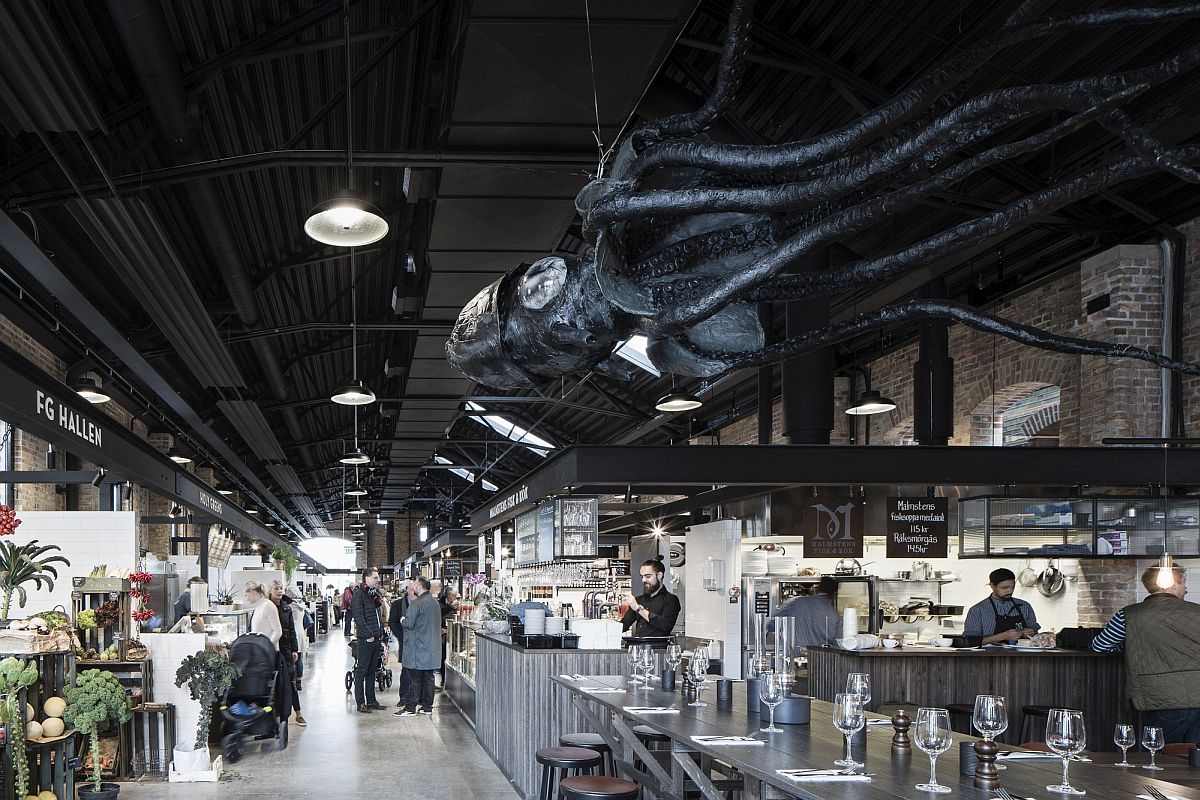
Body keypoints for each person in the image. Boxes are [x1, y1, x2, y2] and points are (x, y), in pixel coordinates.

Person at [1091, 565, 1200, 742]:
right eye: (1183, 583)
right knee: (1194, 761)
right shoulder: (1197, 611)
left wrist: (1130, 645)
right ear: (1170, 584)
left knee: (1162, 756)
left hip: (1162, 697)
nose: (1186, 588)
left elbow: (1099, 646)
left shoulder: (1128, 615)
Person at [395, 576, 441, 717]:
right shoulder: (435, 602)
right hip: (431, 647)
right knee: (428, 677)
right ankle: (427, 707)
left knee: (414, 678)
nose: (412, 585)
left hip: (417, 647)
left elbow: (409, 624)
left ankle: (410, 708)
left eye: (414, 583)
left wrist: (403, 619)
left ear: (420, 586)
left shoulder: (416, 604)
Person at [962, 568, 1041, 645]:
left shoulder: (1025, 606)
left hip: (1022, 656)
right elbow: (970, 641)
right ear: (992, 586)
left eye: (1012, 587)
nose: (1010, 591)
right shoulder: (977, 610)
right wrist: (1002, 636)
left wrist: (1031, 633)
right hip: (989, 656)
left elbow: (1036, 636)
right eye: (1004, 588)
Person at [350, 567, 387, 713]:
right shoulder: (359, 594)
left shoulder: (373, 594)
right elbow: (358, 618)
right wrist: (369, 634)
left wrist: (381, 632)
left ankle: (371, 701)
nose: (378, 580)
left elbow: (378, 616)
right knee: (362, 671)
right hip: (366, 639)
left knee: (372, 670)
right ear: (366, 578)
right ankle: (360, 703)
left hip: (376, 638)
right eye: (376, 577)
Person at [621, 556, 681, 637]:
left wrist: (638, 609)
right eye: (642, 576)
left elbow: (666, 625)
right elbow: (624, 625)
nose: (643, 580)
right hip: (637, 646)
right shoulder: (639, 600)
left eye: (648, 576)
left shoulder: (671, 600)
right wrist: (605, 626)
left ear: (659, 575)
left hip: (658, 649)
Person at [772, 576, 842, 646]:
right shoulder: (834, 616)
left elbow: (773, 624)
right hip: (820, 655)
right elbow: (838, 643)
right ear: (833, 594)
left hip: (794, 654)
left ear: (817, 589)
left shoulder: (796, 602)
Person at [269, 581, 302, 726]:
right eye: (276, 589)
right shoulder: (266, 608)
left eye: (281, 589)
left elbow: (291, 630)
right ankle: (274, 716)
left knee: (290, 681)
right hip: (270, 649)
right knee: (272, 683)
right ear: (270, 591)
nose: (279, 591)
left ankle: (298, 713)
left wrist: (295, 649)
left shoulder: (286, 608)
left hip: (286, 648)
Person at [245, 581, 281, 650]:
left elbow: (278, 631)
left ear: (253, 592)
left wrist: (268, 647)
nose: (246, 599)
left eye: (246, 595)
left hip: (267, 654)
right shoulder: (258, 607)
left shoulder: (268, 606)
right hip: (260, 652)